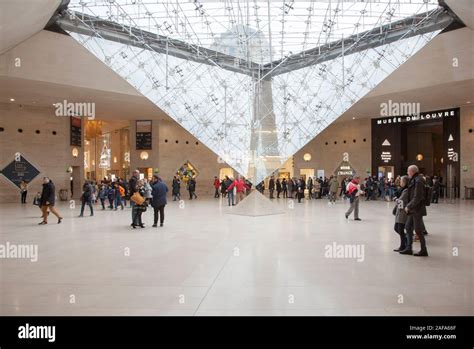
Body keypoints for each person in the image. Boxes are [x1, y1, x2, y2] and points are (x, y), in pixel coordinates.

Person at [399, 165, 429, 257]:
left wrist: (409, 206)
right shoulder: (415, 179)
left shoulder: (418, 180)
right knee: (408, 227)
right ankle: (409, 248)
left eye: (408, 171)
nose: (407, 173)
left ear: (412, 171)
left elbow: (418, 197)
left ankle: (424, 250)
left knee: (418, 230)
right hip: (413, 209)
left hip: (417, 209)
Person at [393, 176, 409, 252]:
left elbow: (401, 202)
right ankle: (406, 241)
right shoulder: (402, 190)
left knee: (400, 229)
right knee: (397, 228)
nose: (400, 182)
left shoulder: (406, 190)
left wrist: (396, 199)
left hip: (402, 212)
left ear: (405, 182)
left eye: (402, 181)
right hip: (400, 212)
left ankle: (403, 245)